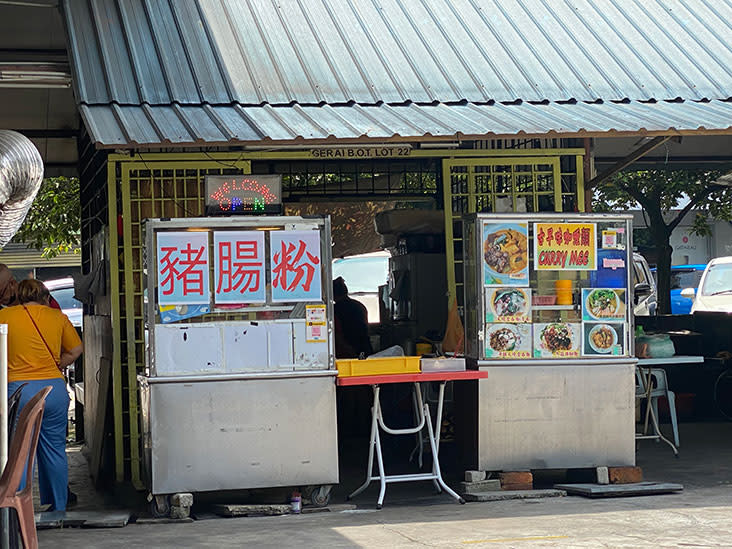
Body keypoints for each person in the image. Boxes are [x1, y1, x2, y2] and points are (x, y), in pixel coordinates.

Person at [1, 279, 83, 512]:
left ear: (19, 296)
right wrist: (58, 364)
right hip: (54, 391)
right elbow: (76, 349)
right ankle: (58, 508)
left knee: (20, 452)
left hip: (20, 391)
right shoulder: (57, 318)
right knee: (55, 449)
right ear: (46, 297)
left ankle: (17, 509)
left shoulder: (5, 318)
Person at [333, 276, 372, 358]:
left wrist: (349, 351)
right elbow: (366, 329)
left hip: (346, 352)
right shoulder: (360, 306)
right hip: (364, 349)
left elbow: (338, 335)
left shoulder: (334, 310)